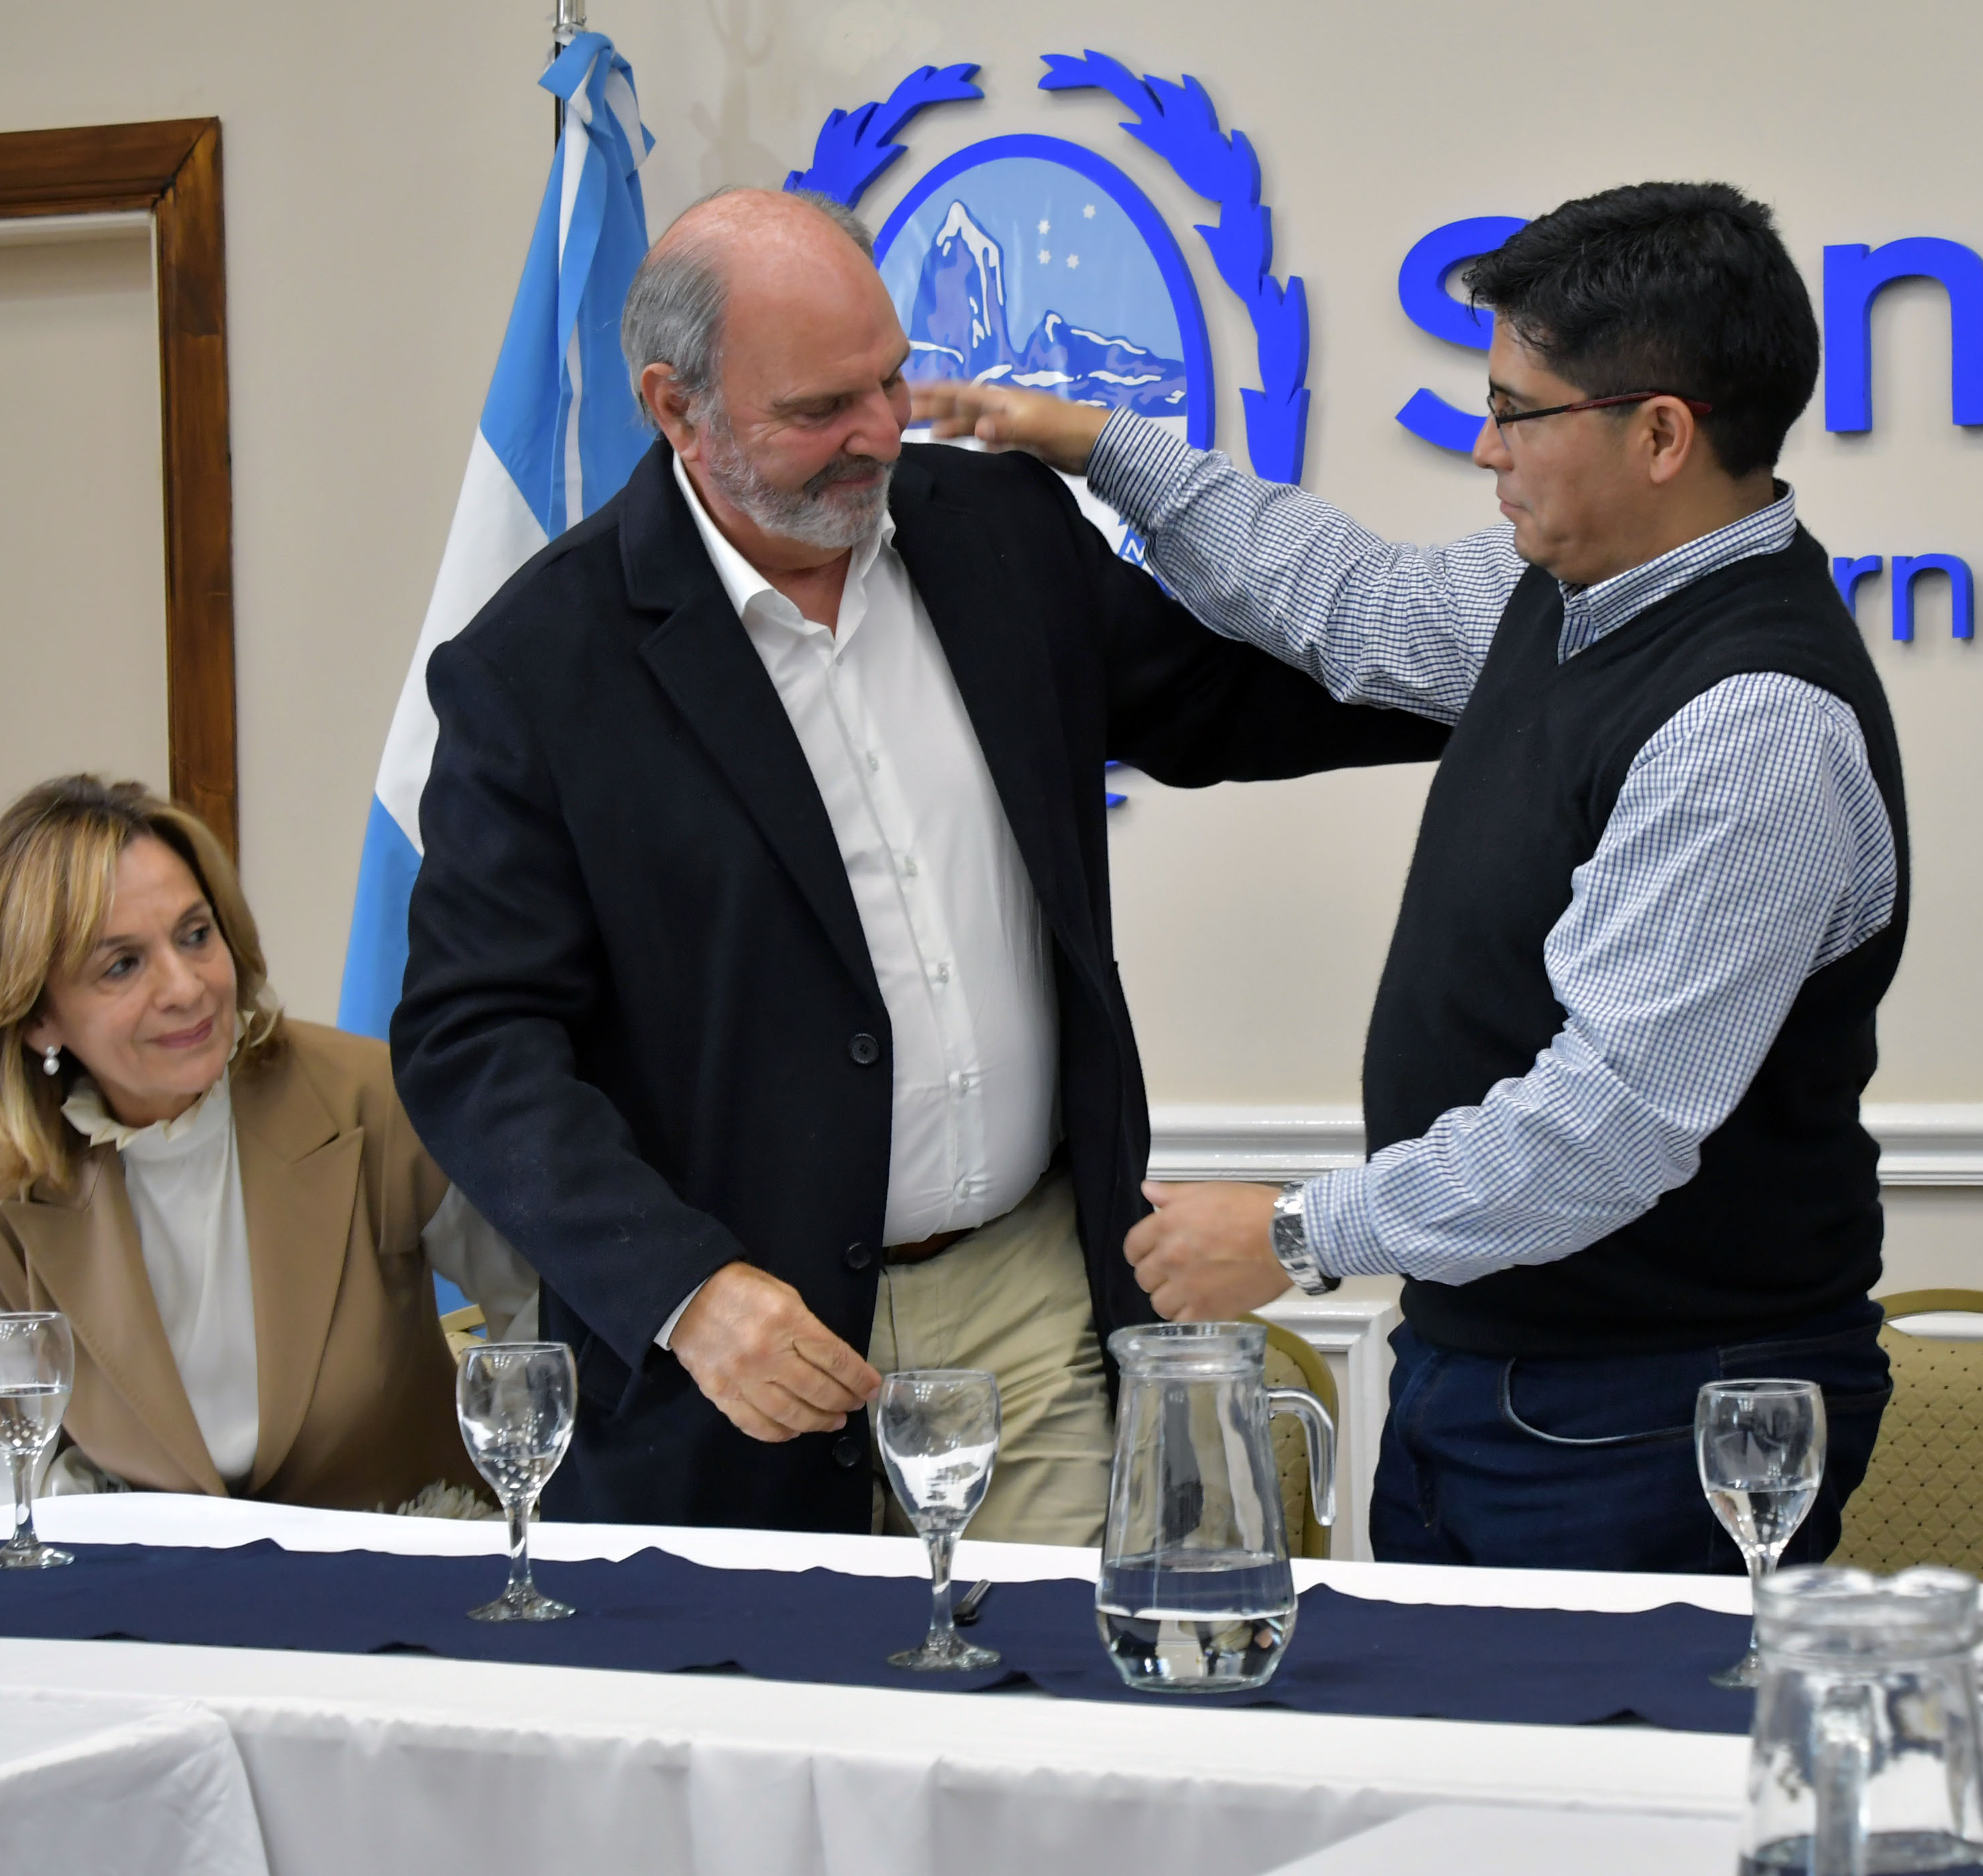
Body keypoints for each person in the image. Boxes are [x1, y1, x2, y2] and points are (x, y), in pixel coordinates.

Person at [389, 187, 1443, 1540]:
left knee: (1052, 1721)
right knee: (774, 1742)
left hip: (1026, 1298)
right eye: (821, 408)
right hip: (742, 1360)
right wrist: (685, 1292)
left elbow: (1231, 699)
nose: (881, 432)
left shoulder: (995, 532)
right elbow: (474, 1039)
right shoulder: (540, 669)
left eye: (890, 377)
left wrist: (1525, 670)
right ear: (675, 409)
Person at [920, 181, 1906, 1574]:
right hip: (1493, 1371)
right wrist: (1103, 448)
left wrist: (1295, 1233)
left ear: (1663, 434)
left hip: (1659, 1406)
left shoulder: (1752, 722)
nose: (1484, 446)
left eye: (1517, 411)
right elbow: (1344, 601)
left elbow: (1607, 1124)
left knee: (1593, 1785)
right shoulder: (1561, 596)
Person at [0, 776, 536, 1515]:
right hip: (144, 1602)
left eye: (195, 935)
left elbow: (537, 1320)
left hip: (409, 1570)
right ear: (38, 1018)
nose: (187, 987)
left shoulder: (373, 1100)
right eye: (123, 965)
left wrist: (521, 1519)